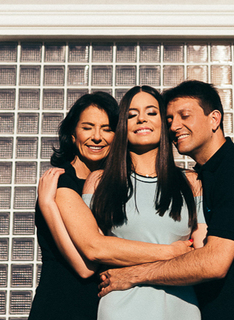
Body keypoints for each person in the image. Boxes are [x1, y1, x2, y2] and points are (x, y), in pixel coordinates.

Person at [97, 80, 234, 320]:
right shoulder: (198, 177)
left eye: (184, 116)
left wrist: (134, 274)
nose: (174, 126)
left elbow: (214, 262)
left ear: (214, 119)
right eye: (169, 119)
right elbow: (201, 246)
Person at [53, 85, 204, 319]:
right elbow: (94, 249)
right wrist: (173, 253)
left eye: (151, 112)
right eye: (131, 115)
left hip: (181, 308)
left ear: (165, 123)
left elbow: (205, 253)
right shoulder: (98, 182)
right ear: (123, 126)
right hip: (121, 308)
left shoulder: (191, 181)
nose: (141, 119)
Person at [28, 91, 118, 320]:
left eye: (107, 128)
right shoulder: (59, 182)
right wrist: (47, 204)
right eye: (87, 127)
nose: (97, 137)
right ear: (72, 133)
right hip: (59, 305)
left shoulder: (114, 185)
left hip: (101, 307)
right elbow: (86, 267)